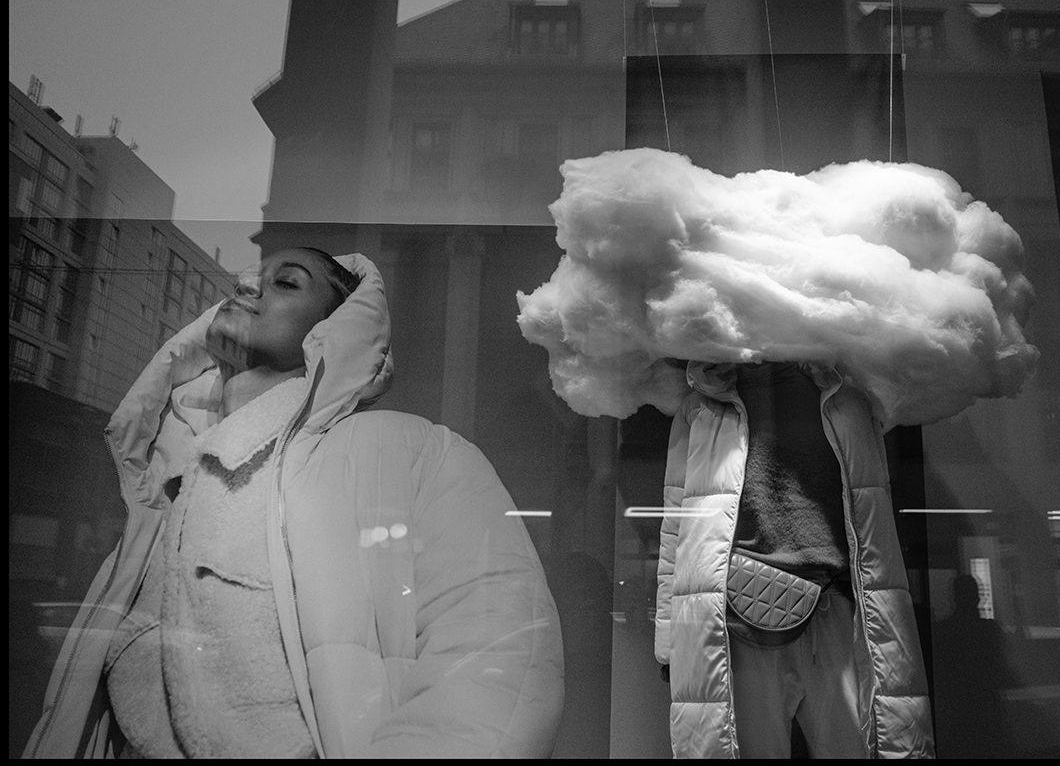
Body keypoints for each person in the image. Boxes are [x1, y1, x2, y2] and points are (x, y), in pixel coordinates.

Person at [23, 248, 564, 758]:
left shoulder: (415, 453)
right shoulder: (163, 489)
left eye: (286, 283)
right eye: (249, 279)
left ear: (331, 328)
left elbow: (496, 659)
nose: (247, 287)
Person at [654, 359, 935, 758]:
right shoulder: (702, 407)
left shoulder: (846, 398)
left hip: (837, 607)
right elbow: (675, 527)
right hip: (740, 616)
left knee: (864, 748)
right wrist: (669, 642)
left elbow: (874, 508)